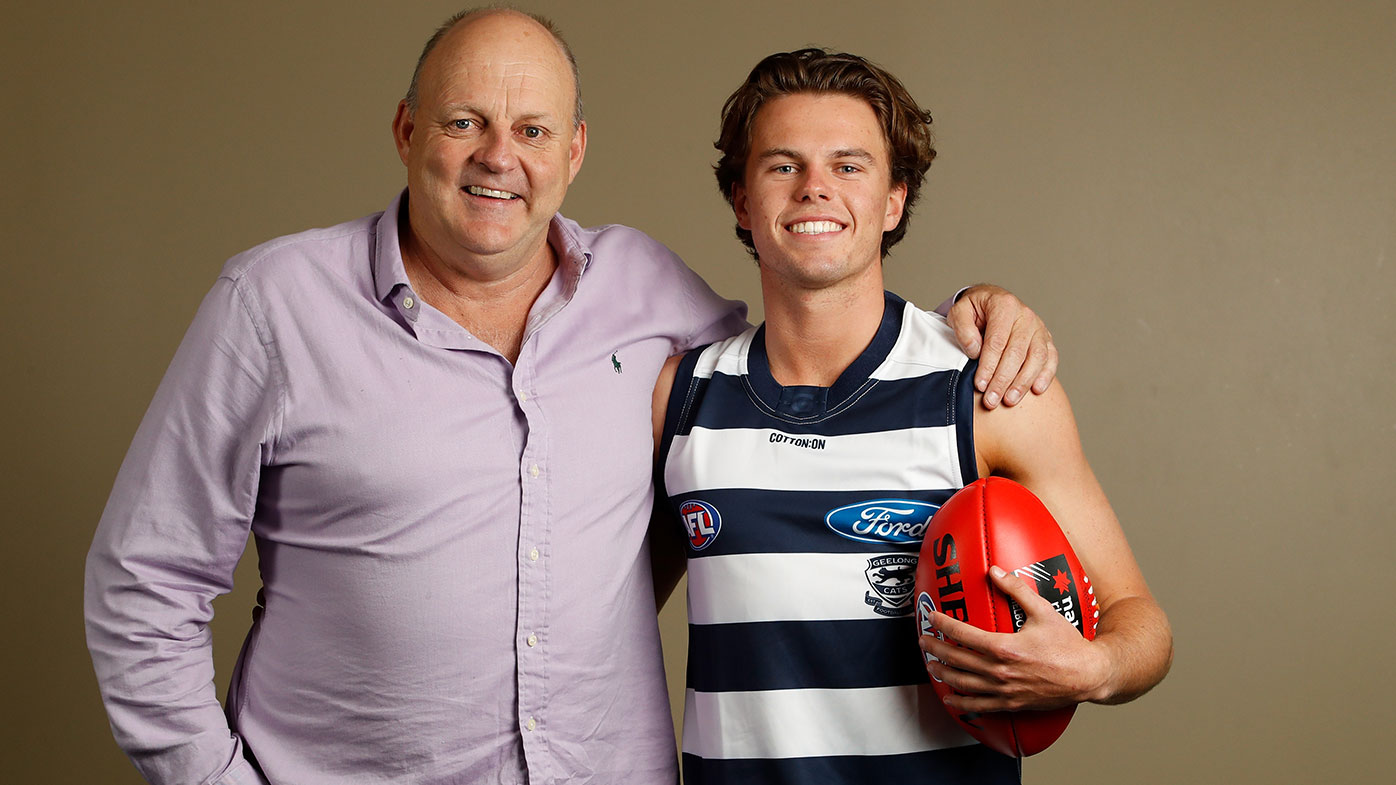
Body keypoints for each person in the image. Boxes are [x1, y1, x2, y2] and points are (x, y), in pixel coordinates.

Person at [84, 9, 1057, 785]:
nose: (498, 156)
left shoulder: (648, 295)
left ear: (575, 150)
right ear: (406, 129)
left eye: (532, 129)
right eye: (464, 121)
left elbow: (813, 345)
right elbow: (145, 582)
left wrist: (964, 316)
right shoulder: (272, 304)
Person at [652, 48, 1172, 784]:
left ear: (895, 199)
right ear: (741, 200)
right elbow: (602, 614)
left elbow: (1141, 622)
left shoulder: (990, 390)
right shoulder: (680, 398)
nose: (815, 189)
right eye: (782, 165)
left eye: (849, 166)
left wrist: (1091, 667)